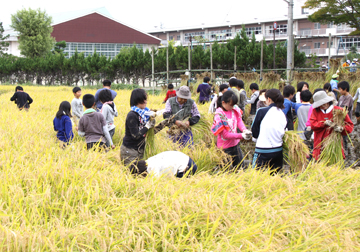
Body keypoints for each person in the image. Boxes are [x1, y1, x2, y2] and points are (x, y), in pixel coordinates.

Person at [211, 91, 252, 169]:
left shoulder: (234, 109)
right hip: (224, 148)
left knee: (240, 168)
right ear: (223, 102)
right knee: (225, 171)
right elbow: (225, 135)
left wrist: (244, 130)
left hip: (235, 145)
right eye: (231, 105)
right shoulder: (219, 114)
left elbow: (239, 120)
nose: (232, 107)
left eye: (234, 105)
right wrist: (241, 135)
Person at [310, 91, 354, 161]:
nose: (323, 105)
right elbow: (313, 125)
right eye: (320, 104)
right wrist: (323, 124)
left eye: (324, 103)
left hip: (334, 145)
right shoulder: (315, 111)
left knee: (334, 165)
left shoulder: (339, 111)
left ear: (328, 101)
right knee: (319, 166)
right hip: (319, 144)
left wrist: (341, 129)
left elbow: (350, 126)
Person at [251, 89, 287, 173]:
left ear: (269, 99)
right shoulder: (281, 113)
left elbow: (254, 130)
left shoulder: (261, 111)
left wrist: (255, 138)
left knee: (256, 177)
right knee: (275, 177)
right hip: (278, 151)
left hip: (263, 150)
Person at [120, 89, 156, 165]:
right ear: (137, 100)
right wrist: (147, 126)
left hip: (140, 150)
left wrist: (165, 123)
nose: (146, 102)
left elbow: (149, 133)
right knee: (132, 173)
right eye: (144, 99)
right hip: (130, 151)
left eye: (146, 99)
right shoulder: (132, 115)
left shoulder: (146, 114)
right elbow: (135, 135)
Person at [128, 151, 197, 178]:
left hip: (187, 166)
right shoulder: (149, 160)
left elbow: (158, 187)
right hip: (184, 158)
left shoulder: (152, 171)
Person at [338, 81, 354, 152]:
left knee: (344, 136)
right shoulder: (341, 97)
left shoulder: (349, 97)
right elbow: (337, 106)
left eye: (340, 89)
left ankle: (345, 151)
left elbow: (344, 108)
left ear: (345, 89)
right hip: (339, 120)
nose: (339, 91)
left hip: (345, 121)